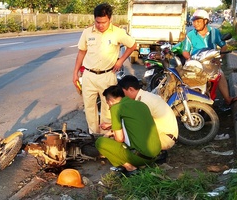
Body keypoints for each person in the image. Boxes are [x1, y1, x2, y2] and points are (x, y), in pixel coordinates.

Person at [73, 3, 137, 134]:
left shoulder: (118, 32)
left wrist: (120, 60)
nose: (101, 25)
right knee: (89, 108)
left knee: (108, 109)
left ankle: (106, 137)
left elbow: (132, 45)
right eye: (98, 22)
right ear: (94, 19)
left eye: (104, 22)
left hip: (107, 76)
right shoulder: (87, 32)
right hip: (89, 75)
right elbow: (81, 52)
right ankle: (93, 135)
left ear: (110, 19)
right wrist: (75, 74)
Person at [95, 85, 161, 176]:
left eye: (108, 104)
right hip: (156, 153)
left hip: (140, 158)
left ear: (110, 101)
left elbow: (119, 139)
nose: (109, 107)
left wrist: (107, 135)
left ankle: (130, 168)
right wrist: (112, 128)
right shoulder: (141, 104)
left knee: (100, 142)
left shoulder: (116, 108)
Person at [182, 9, 237, 106]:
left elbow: (223, 46)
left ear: (205, 21)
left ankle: (228, 99)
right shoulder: (190, 34)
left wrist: (218, 58)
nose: (195, 24)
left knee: (220, 74)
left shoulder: (214, 32)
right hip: (196, 62)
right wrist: (189, 59)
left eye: (198, 21)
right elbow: (185, 51)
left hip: (210, 62)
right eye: (194, 21)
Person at [118, 75, 178, 152]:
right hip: (165, 135)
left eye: (123, 93)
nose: (123, 96)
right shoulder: (144, 96)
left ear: (131, 89)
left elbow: (137, 124)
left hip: (165, 138)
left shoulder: (144, 101)